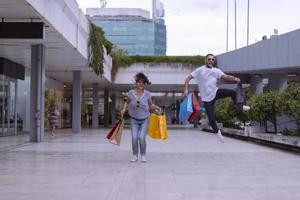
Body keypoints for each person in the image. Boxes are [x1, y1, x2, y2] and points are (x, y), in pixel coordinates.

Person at [183, 53, 250, 143]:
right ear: (205, 60)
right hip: (207, 99)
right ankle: (217, 132)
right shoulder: (200, 70)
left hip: (215, 92)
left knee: (232, 92)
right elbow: (187, 79)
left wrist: (234, 79)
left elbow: (226, 76)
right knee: (211, 118)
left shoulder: (216, 71)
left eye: (212, 60)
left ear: (214, 62)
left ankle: (240, 107)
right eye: (209, 59)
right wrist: (186, 89)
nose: (211, 61)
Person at [121, 72, 161, 163]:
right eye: (139, 82)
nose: (141, 84)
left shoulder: (147, 94)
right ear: (136, 83)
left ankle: (143, 155)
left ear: (144, 84)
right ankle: (135, 155)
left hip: (145, 119)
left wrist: (156, 108)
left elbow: (150, 105)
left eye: (143, 82)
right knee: (135, 137)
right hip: (134, 118)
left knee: (141, 137)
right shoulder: (130, 93)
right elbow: (127, 102)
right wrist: (124, 109)